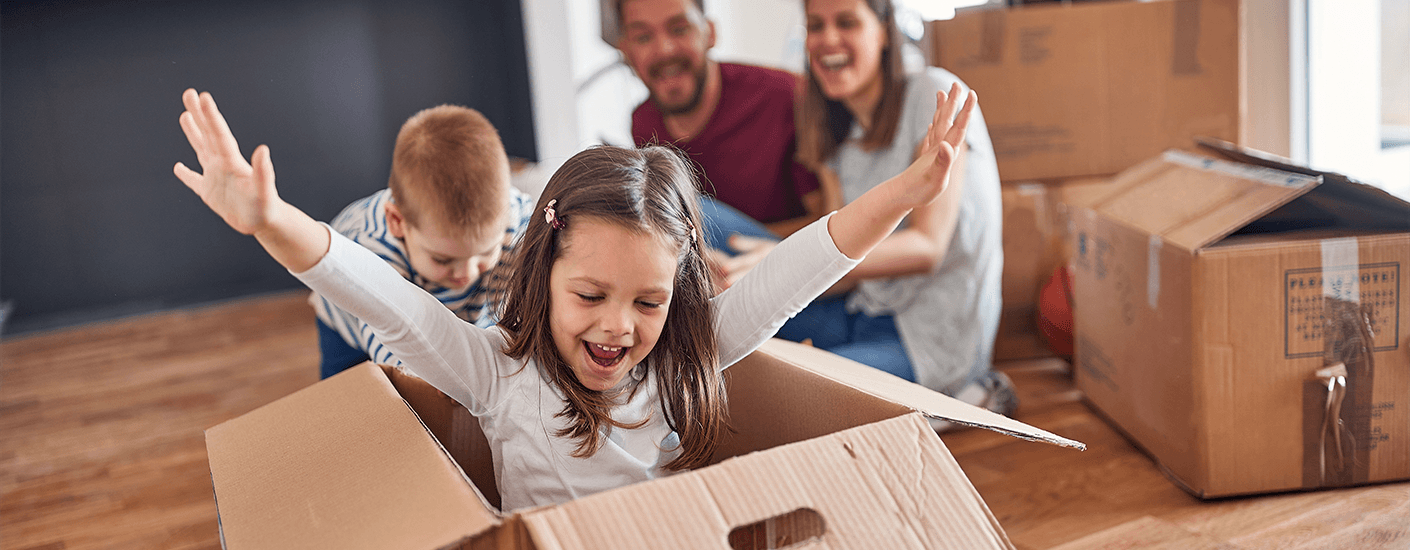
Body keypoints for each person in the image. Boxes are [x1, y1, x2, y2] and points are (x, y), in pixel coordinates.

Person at [172, 85, 973, 510]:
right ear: (543, 270)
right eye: (590, 294)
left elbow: (800, 269)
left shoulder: (683, 357)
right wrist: (270, 220)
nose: (619, 327)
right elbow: (380, 296)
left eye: (649, 303)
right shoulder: (494, 371)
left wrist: (904, 193)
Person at [726, 0, 1013, 415]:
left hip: (926, 338)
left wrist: (776, 261)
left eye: (846, 22)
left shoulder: (930, 94)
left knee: (782, 400)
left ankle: (967, 393)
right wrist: (759, 281)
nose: (827, 39)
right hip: (860, 308)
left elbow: (927, 248)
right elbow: (839, 263)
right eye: (815, 26)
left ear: (883, 31)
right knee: (704, 220)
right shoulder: (837, 131)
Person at [312, 105, 535, 379]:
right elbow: (396, 359)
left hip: (465, 313)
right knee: (347, 388)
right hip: (349, 322)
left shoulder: (517, 221)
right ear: (397, 222)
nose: (466, 273)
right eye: (443, 259)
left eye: (487, 252)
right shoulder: (370, 251)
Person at [615, 0, 836, 249]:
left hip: (794, 258)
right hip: (708, 266)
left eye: (679, 29)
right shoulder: (643, 123)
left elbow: (827, 224)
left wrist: (732, 246)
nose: (665, 50)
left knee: (694, 213)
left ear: (710, 33)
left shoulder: (788, 97)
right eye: (643, 37)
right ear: (626, 51)